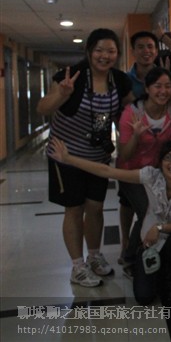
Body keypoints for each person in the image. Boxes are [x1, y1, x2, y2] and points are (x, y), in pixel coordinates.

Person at [49, 138, 171, 304]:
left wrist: (158, 227)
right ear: (161, 162)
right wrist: (68, 159)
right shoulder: (151, 176)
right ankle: (161, 273)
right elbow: (107, 171)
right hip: (151, 245)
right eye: (169, 158)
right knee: (144, 297)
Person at [37, 28, 133, 287]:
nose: (105, 56)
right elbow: (43, 108)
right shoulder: (70, 77)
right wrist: (62, 94)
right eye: (99, 50)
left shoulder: (119, 81)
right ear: (89, 51)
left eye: (111, 51)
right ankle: (77, 266)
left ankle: (94, 255)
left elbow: (127, 112)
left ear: (117, 54)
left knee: (96, 208)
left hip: (96, 156)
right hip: (64, 154)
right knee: (74, 209)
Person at [117, 67, 171, 272]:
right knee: (148, 209)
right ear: (147, 88)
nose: (163, 91)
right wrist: (136, 135)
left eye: (168, 86)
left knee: (160, 210)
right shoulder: (131, 113)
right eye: (157, 86)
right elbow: (124, 155)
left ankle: (152, 253)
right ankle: (131, 257)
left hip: (157, 174)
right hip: (131, 173)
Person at [126, 31, 159, 99]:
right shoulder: (125, 79)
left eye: (150, 47)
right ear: (133, 52)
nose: (146, 50)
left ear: (156, 51)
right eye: (140, 47)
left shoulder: (164, 78)